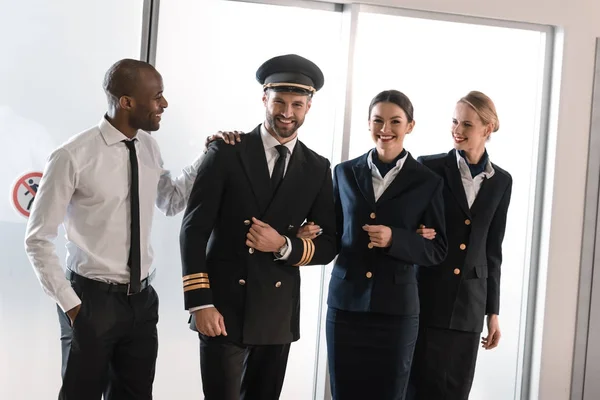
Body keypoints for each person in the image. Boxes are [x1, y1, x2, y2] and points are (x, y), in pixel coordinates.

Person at [24, 58, 214, 400]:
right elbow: (37, 239)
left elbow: (170, 200)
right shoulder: (72, 155)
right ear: (126, 102)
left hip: (141, 301)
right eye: (157, 97)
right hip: (90, 300)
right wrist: (72, 306)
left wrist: (207, 156)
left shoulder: (148, 146)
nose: (164, 104)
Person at [179, 54, 338, 400]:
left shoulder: (317, 168)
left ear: (309, 107)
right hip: (222, 309)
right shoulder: (226, 151)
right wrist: (200, 302)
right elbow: (193, 230)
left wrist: (284, 244)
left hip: (276, 314)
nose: (287, 112)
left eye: (297, 104)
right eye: (279, 101)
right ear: (264, 98)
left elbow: (329, 245)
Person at [322, 90, 448, 400]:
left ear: (410, 126)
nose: (385, 129)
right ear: (368, 124)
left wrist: (396, 239)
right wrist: (302, 236)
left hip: (396, 313)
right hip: (345, 306)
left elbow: (437, 250)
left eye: (395, 121)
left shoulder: (427, 181)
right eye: (378, 121)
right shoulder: (344, 173)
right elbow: (333, 236)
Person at [409, 91, 513, 400]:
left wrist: (492, 312)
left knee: (455, 391)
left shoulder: (501, 181)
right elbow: (410, 221)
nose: (457, 130)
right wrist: (416, 231)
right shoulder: (430, 167)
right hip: (428, 296)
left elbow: (493, 249)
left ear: (487, 128)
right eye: (455, 121)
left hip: (470, 305)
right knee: (416, 388)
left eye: (466, 124)